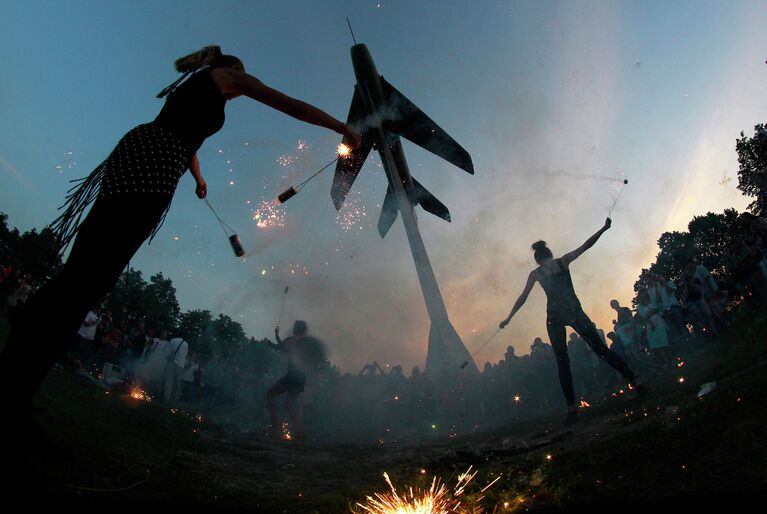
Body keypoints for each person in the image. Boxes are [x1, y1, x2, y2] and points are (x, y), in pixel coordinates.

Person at [0, 45, 362, 426]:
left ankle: (15, 381)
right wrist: (341, 127)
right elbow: (289, 104)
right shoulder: (227, 76)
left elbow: (185, 138)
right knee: (89, 277)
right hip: (153, 163)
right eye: (243, 77)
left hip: (146, 154)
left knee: (87, 272)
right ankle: (12, 388)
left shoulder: (194, 89)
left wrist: (199, 177)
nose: (244, 87)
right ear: (234, 69)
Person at [499, 218, 645, 424]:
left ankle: (571, 408)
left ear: (537, 259)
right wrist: (603, 228)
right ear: (548, 255)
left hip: (556, 316)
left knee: (562, 361)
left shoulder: (536, 274)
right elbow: (585, 245)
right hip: (572, 311)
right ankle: (636, 381)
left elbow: (523, 298)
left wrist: (509, 318)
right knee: (601, 350)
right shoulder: (562, 261)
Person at [266, 320, 325, 440]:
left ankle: (274, 426)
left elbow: (280, 348)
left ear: (296, 329)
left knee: (270, 395)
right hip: (301, 378)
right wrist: (277, 337)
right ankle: (301, 432)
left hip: (293, 375)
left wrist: (270, 341)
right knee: (289, 405)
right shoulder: (307, 343)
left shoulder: (292, 340)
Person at [163, 337, 188, 403]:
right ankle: (174, 400)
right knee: (177, 384)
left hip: (171, 363)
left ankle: (166, 399)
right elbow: (185, 355)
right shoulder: (185, 344)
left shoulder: (172, 340)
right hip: (180, 365)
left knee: (168, 382)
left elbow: (168, 351)